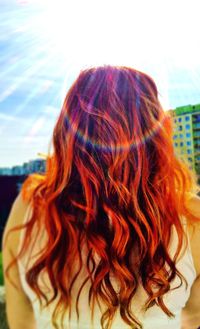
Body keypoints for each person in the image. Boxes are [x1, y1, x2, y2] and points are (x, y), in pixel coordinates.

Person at [2, 65, 200, 329]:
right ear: (158, 133)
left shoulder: (29, 207)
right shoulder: (191, 214)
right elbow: (193, 317)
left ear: (68, 132)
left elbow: (21, 321)